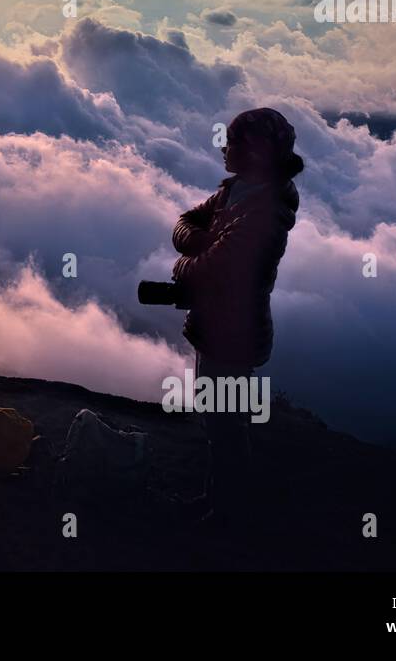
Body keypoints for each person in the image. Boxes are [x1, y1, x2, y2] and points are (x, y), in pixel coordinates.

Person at [170, 107, 303, 527]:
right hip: (215, 328)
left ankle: (229, 513)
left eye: (233, 141)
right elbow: (184, 223)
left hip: (235, 335)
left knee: (227, 428)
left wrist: (184, 266)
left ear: (257, 151)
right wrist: (205, 241)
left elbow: (212, 270)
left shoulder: (263, 212)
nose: (225, 148)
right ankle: (217, 499)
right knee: (219, 422)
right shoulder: (236, 192)